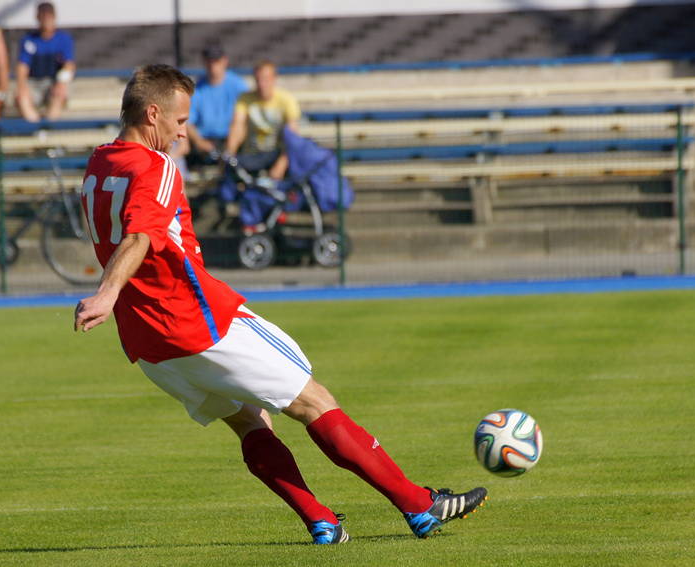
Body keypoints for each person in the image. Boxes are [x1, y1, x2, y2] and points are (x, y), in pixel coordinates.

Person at [73, 64, 488, 545]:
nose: (184, 133)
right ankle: (420, 505)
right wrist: (106, 292)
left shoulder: (99, 163)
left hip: (148, 342)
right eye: (180, 121)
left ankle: (322, 522)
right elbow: (142, 233)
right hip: (198, 321)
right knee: (314, 402)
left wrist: (113, 295)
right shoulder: (156, 166)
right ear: (153, 114)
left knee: (250, 422)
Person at [224, 59, 300, 183]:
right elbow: (237, 127)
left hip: (276, 153)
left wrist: (281, 164)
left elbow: (293, 137)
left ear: (274, 79)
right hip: (252, 154)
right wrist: (229, 154)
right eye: (258, 79)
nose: (261, 84)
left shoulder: (286, 100)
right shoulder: (245, 99)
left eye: (265, 79)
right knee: (229, 170)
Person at [186, 43, 249, 165]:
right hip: (206, 142)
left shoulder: (238, 85)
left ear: (225, 61)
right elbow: (188, 122)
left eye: (216, 61)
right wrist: (199, 142)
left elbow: (242, 121)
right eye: (210, 61)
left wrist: (231, 147)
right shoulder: (197, 88)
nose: (213, 65)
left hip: (231, 140)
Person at [14, 2, 76, 122]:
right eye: (43, 17)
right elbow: (22, 66)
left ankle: (48, 128)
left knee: (59, 94)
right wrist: (22, 86)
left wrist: (61, 82)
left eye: (49, 17)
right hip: (34, 82)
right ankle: (35, 127)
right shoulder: (29, 40)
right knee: (21, 96)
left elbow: (69, 65)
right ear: (38, 18)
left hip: (53, 82)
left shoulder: (63, 39)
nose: (46, 21)